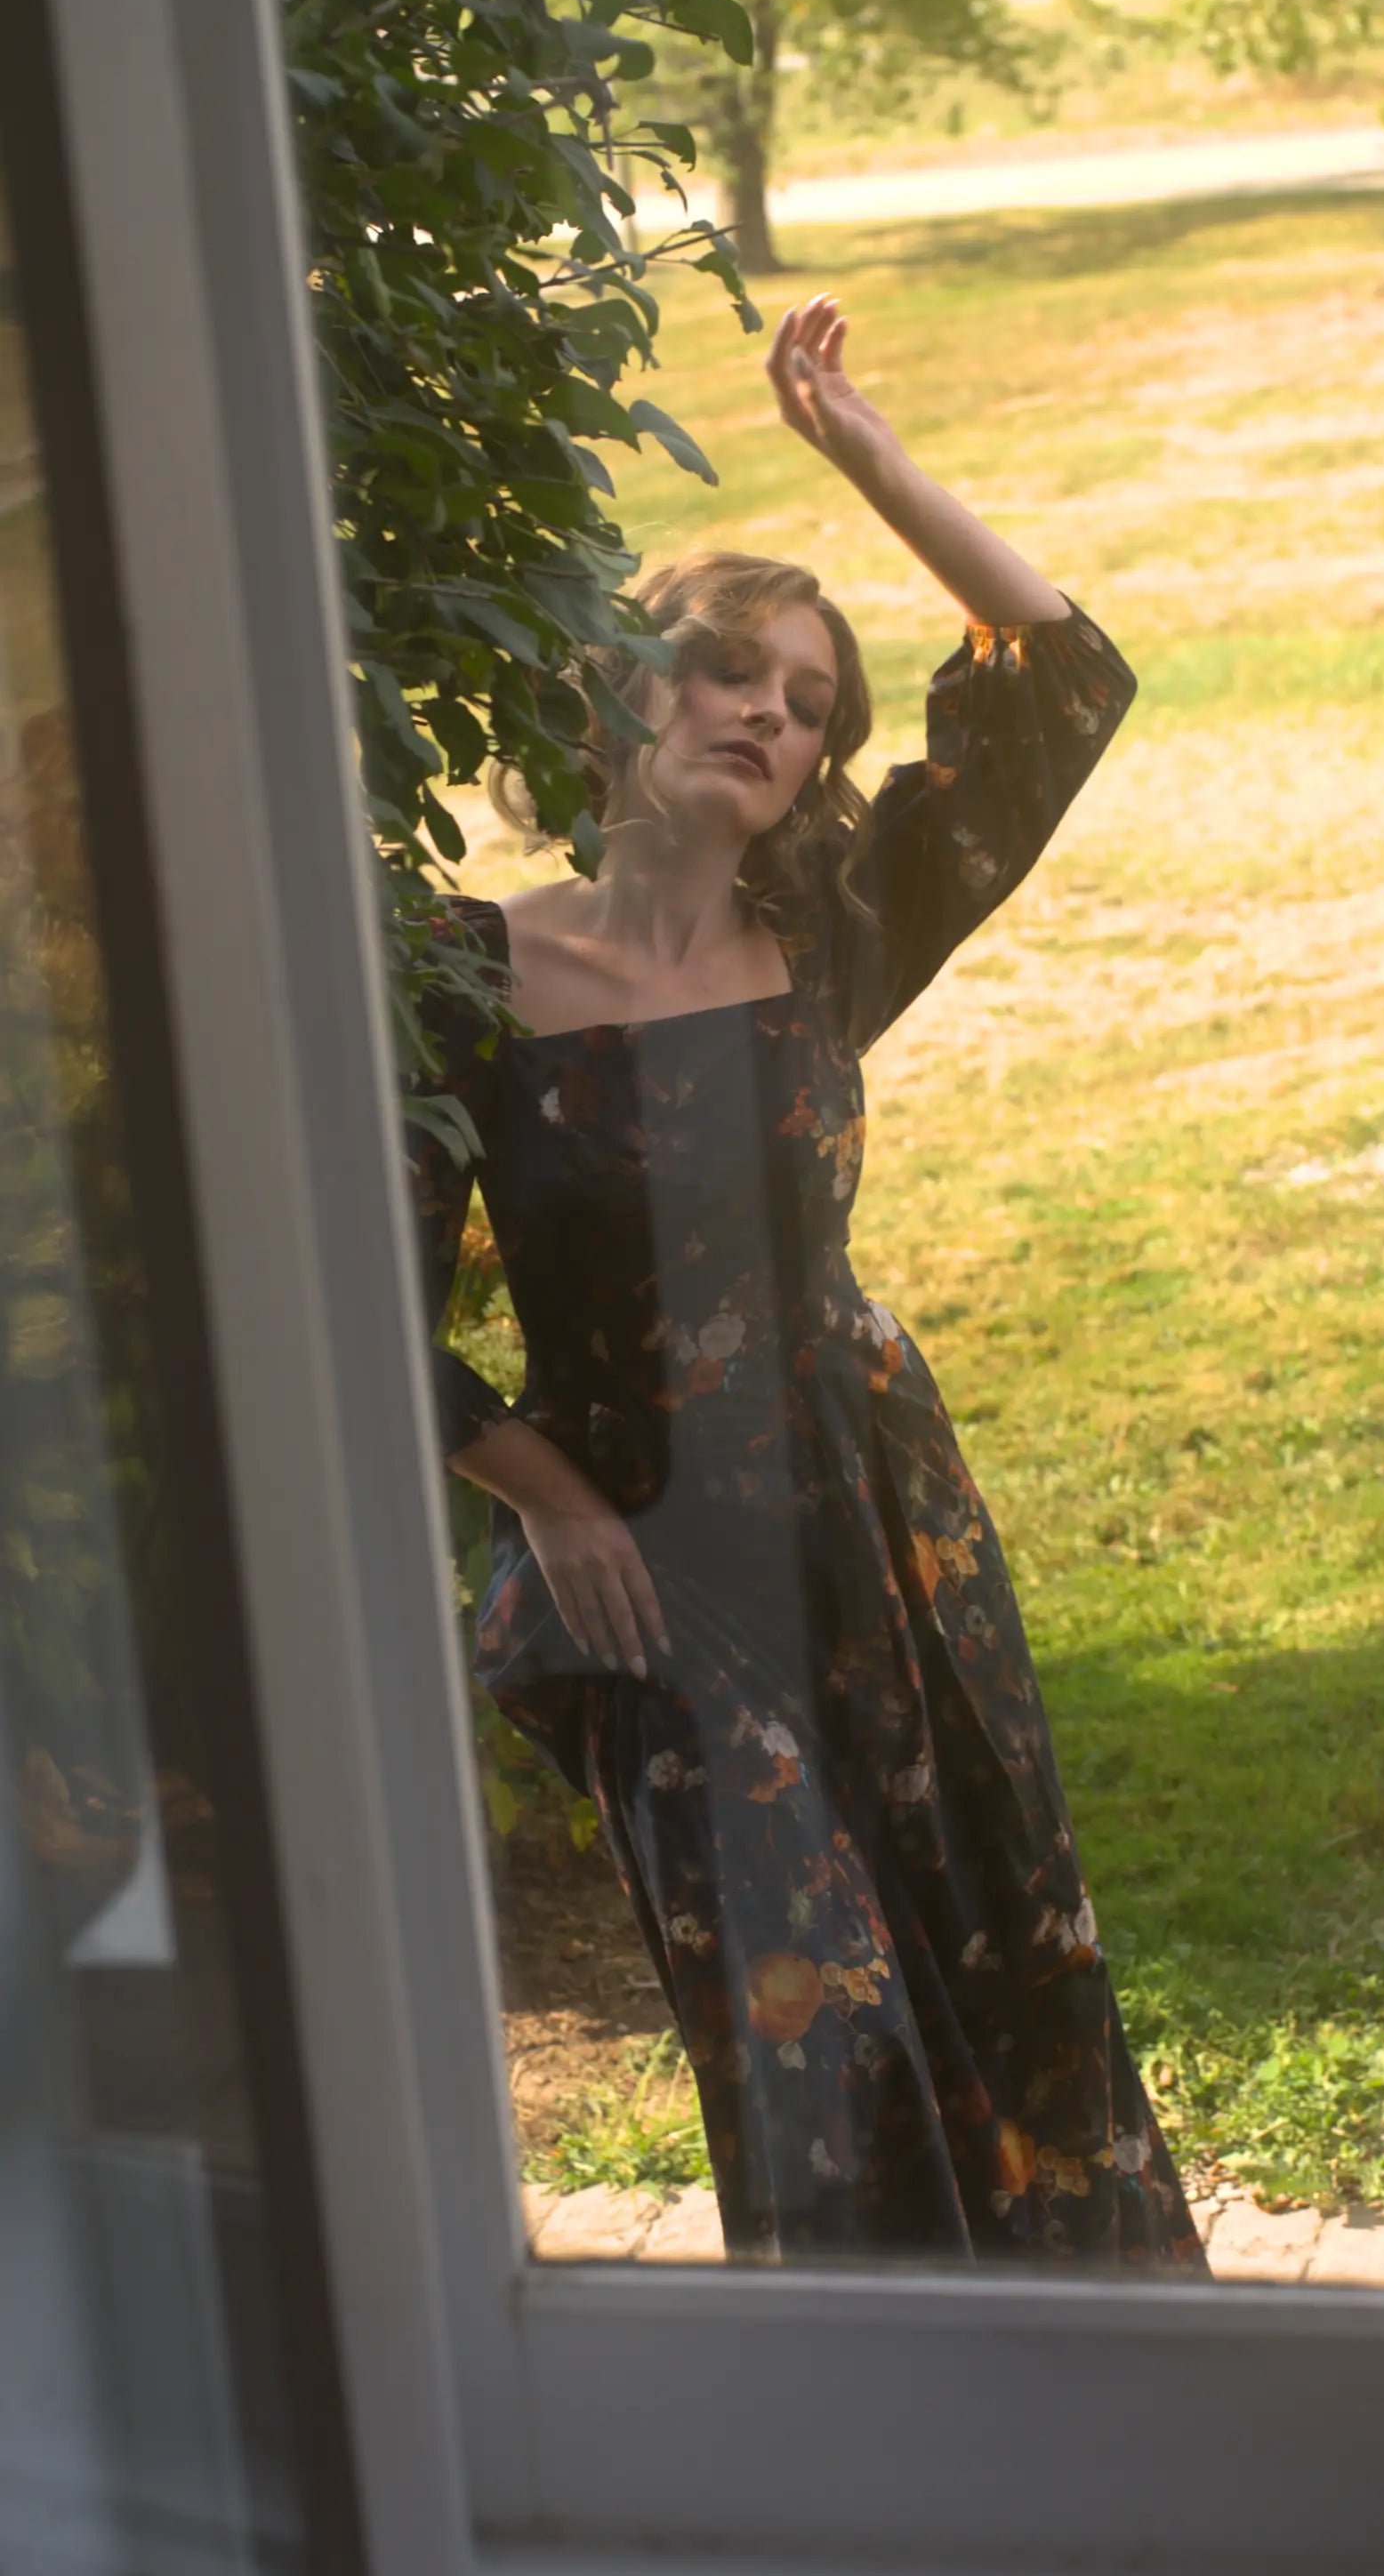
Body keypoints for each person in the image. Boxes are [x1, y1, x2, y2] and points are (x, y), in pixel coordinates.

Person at [412, 294, 1206, 2270]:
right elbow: (351, 1289)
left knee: (995, 1938)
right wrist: (545, 1493)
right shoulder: (448, 979)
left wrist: (863, 452)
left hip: (875, 1522)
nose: (771, 714)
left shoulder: (832, 934)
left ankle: (1078, 2389)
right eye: (728, 673)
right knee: (796, 2010)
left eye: (811, 703)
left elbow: (1062, 680)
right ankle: (865, 2417)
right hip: (651, 1566)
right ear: (622, 699)